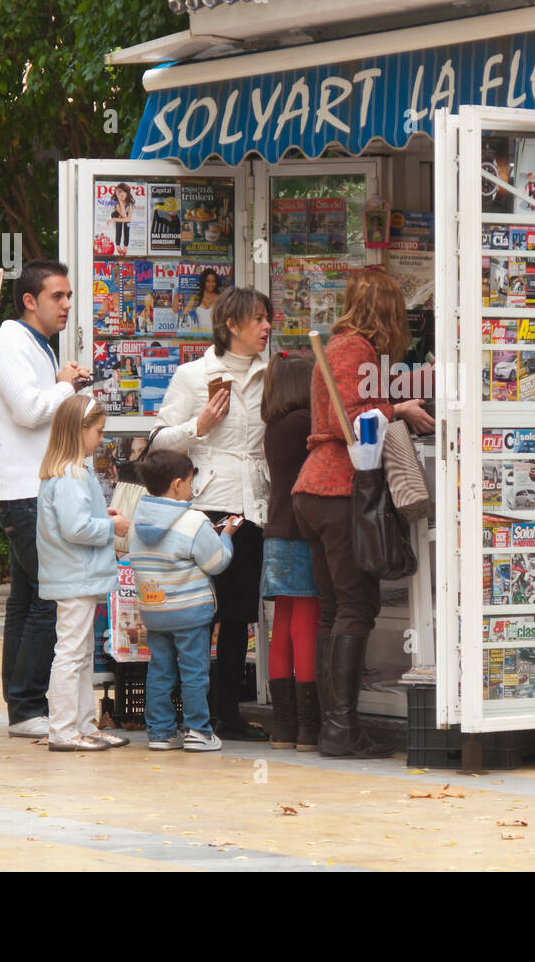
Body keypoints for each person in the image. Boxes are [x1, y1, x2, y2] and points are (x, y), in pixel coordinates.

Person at [293, 270, 433, 758]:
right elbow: (348, 419)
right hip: (338, 488)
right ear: (388, 310)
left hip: (315, 488)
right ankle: (340, 728)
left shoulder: (340, 347)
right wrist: (401, 410)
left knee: (334, 610)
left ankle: (332, 726)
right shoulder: (356, 349)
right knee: (355, 608)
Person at [152, 287, 273, 741]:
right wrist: (198, 426)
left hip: (252, 506)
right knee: (201, 614)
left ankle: (228, 713)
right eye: (257, 319)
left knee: (240, 615)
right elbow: (159, 441)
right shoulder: (193, 375)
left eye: (267, 319)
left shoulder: (270, 373)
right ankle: (192, 716)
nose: (266, 327)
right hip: (206, 508)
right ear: (230, 326)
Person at [0, 260, 85, 738]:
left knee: (26, 599)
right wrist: (64, 385)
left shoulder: (36, 346)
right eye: (57, 297)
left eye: (67, 296)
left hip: (31, 486)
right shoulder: (9, 342)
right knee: (51, 596)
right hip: (19, 488)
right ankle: (27, 705)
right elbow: (28, 411)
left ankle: (22, 705)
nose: (67, 305)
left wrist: (64, 385)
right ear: (30, 300)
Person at [36, 394, 129, 752]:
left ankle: (82, 725)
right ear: (80, 431)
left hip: (76, 574)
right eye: (98, 431)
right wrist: (112, 527)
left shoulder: (68, 472)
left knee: (79, 652)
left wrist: (102, 520)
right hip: (77, 574)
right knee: (73, 652)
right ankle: (64, 729)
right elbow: (76, 529)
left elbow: (72, 524)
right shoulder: (74, 474)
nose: (101, 439)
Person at [129, 448, 237, 752]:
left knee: (160, 671)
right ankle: (198, 731)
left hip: (155, 611)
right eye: (190, 482)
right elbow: (216, 562)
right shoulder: (194, 520)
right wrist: (226, 534)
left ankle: (160, 733)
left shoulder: (140, 520)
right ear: (178, 484)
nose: (192, 489)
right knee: (193, 672)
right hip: (189, 613)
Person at [260, 352, 321, 750]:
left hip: (277, 531)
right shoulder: (304, 423)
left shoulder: (275, 426)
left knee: (282, 620)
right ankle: (308, 727)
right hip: (302, 532)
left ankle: (284, 726)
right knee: (307, 621)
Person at [110, 182, 135, 250]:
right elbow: (123, 215)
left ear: (127, 193)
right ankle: (118, 245)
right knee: (119, 222)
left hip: (122, 217)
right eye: (120, 192)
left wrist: (114, 219)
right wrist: (119, 200)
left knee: (127, 225)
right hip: (116, 214)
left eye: (124, 192)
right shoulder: (114, 201)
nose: (122, 194)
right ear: (117, 193)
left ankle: (125, 246)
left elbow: (128, 218)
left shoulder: (130, 203)